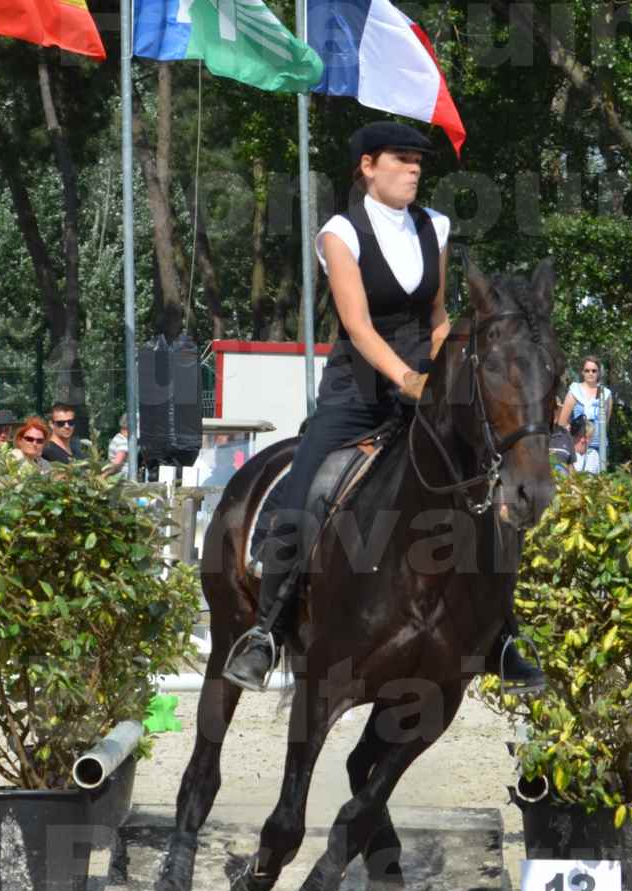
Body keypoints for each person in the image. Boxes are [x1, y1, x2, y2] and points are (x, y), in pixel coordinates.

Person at [226, 120, 543, 694]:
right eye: (401, 158)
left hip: (425, 388)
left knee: (482, 491)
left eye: (419, 160)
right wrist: (407, 378)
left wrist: (442, 376)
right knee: (305, 492)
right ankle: (266, 633)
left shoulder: (435, 228)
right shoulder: (339, 234)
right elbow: (358, 325)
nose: (415, 168)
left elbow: (440, 318)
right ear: (367, 166)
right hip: (356, 392)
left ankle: (502, 635)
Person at [557, 355, 611, 460]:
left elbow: (605, 423)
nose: (590, 373)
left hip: (599, 446)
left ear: (599, 372)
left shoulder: (606, 394)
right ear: (582, 372)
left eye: (594, 371)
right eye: (587, 370)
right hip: (578, 445)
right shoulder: (575, 391)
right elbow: (562, 423)